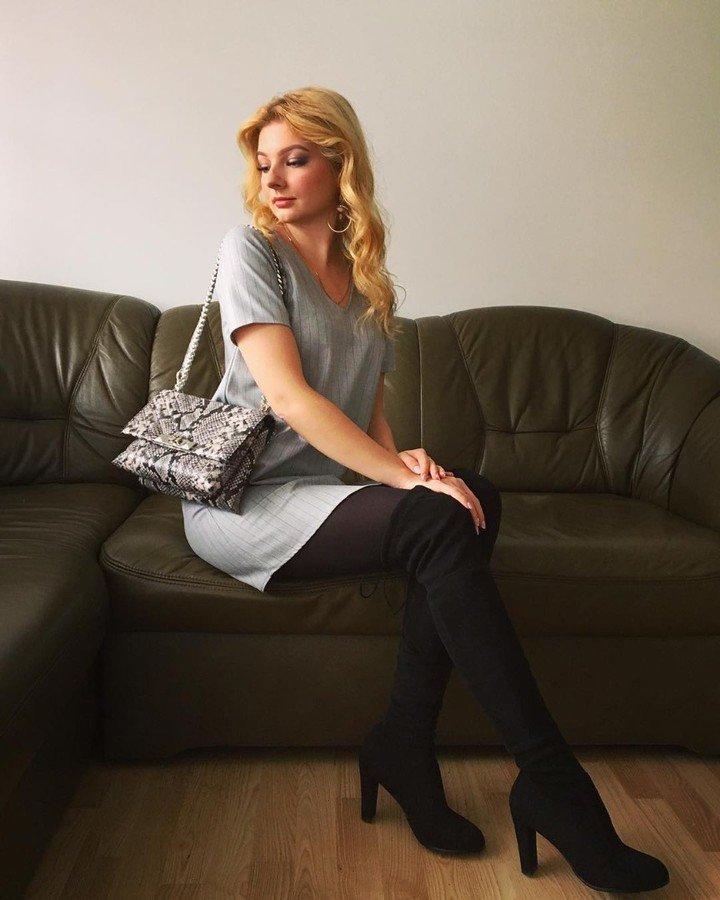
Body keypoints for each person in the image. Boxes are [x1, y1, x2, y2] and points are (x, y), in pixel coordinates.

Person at [182, 86, 669, 893]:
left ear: (340, 163)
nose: (273, 179)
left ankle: (404, 743)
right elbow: (291, 399)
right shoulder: (252, 251)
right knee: (439, 517)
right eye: (264, 164)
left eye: (295, 160)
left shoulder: (366, 277)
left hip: (321, 492)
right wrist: (404, 481)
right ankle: (551, 780)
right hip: (243, 503)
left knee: (473, 497)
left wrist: (406, 462)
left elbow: (366, 413)